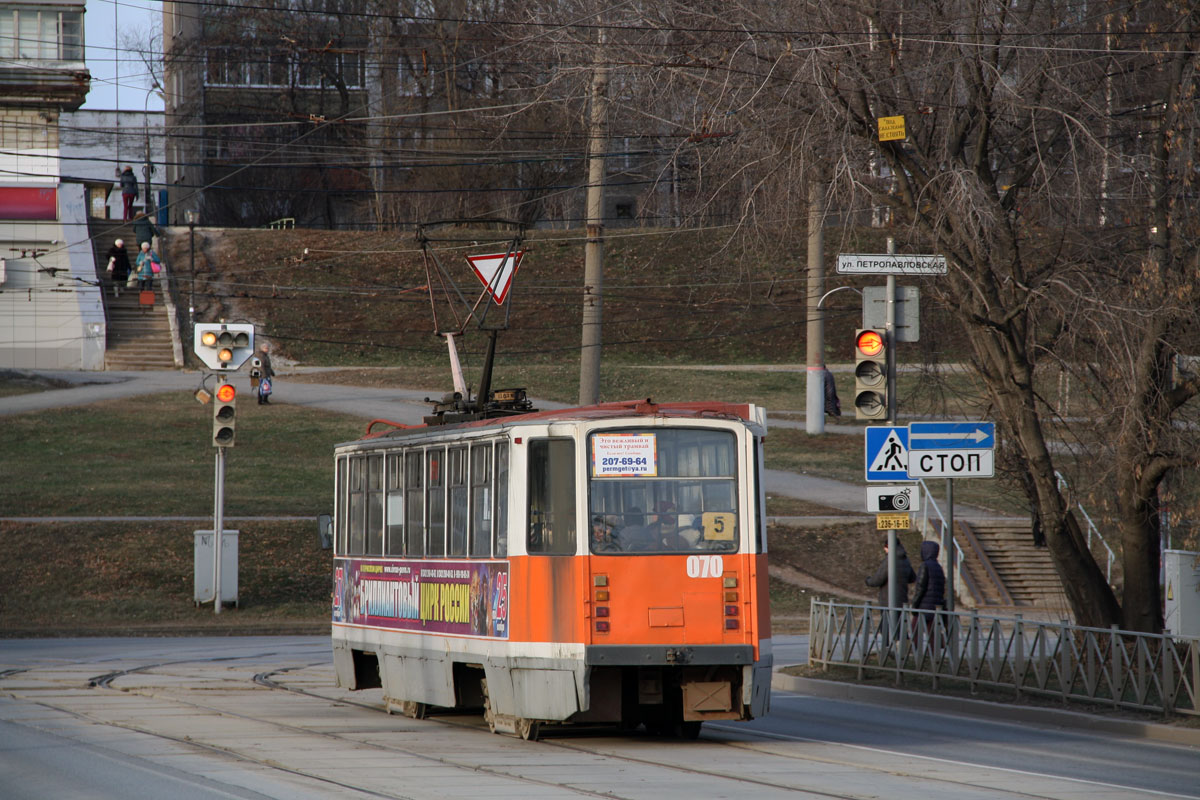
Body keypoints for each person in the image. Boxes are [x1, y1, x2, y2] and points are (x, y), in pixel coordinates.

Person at [865, 537, 915, 646]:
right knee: (901, 624)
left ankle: (888, 650)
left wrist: (868, 581)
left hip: (888, 598)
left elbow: (878, 579)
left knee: (887, 625)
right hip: (902, 598)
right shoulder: (905, 559)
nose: (884, 550)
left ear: (889, 547)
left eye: (885, 547)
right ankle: (903, 649)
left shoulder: (890, 560)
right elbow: (912, 577)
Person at [910, 540, 946, 633]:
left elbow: (920, 587)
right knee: (933, 634)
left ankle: (914, 648)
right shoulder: (938, 566)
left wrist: (914, 604)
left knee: (915, 632)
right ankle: (939, 647)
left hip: (924, 606)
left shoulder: (925, 565)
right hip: (935, 606)